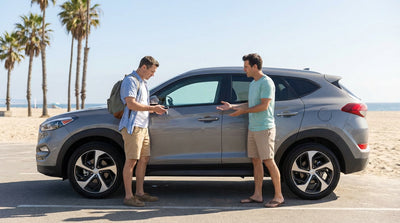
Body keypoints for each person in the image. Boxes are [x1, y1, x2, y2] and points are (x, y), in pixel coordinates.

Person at [217, 53, 285, 208]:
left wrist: (242, 112)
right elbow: (251, 103)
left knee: (268, 161)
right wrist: (233, 107)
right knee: (255, 161)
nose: (244, 69)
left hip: (264, 128)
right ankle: (257, 195)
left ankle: (279, 196)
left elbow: (263, 106)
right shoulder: (254, 83)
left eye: (246, 66)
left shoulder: (266, 82)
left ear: (255, 66)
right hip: (253, 128)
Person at [119, 56, 167, 207]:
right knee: (131, 161)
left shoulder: (143, 83)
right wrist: (153, 108)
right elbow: (131, 104)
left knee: (144, 160)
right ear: (144, 67)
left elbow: (141, 105)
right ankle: (128, 196)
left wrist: (152, 107)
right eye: (152, 71)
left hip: (143, 127)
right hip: (133, 127)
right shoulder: (131, 81)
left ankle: (140, 193)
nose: (153, 74)